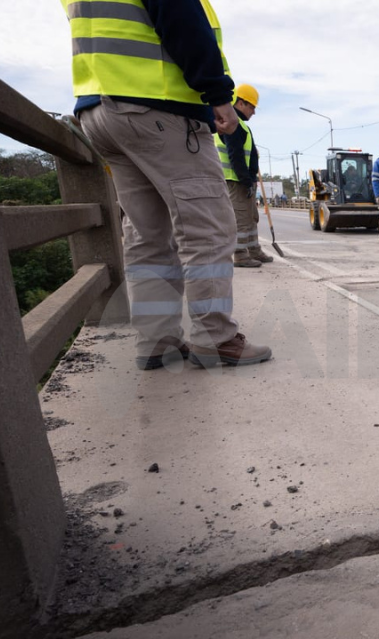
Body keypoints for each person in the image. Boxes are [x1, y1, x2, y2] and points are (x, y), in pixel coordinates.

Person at [64, 0, 271, 369]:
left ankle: (158, 342)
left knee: (148, 234)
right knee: (207, 229)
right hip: (159, 107)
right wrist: (217, 94)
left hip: (100, 108)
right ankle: (214, 338)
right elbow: (181, 17)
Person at [215, 83, 271, 268]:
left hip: (243, 181)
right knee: (240, 220)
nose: (253, 112)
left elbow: (246, 154)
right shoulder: (233, 124)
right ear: (240, 103)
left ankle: (254, 250)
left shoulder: (241, 126)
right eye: (252, 107)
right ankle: (240, 254)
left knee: (251, 217)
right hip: (235, 180)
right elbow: (235, 155)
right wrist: (246, 180)